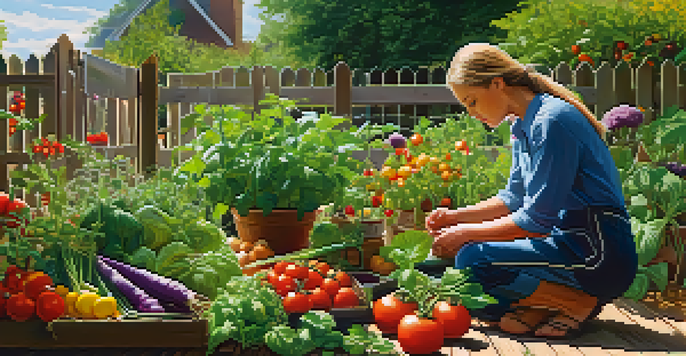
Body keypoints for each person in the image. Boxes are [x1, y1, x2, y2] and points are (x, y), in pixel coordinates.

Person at [426, 43, 638, 338]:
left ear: (497, 84)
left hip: (598, 252)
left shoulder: (551, 121)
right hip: (568, 245)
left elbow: (537, 222)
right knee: (473, 294)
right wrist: (453, 218)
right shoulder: (522, 124)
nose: (472, 113)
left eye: (471, 101)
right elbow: (512, 199)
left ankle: (576, 301)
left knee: (472, 260)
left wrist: (466, 233)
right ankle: (546, 304)